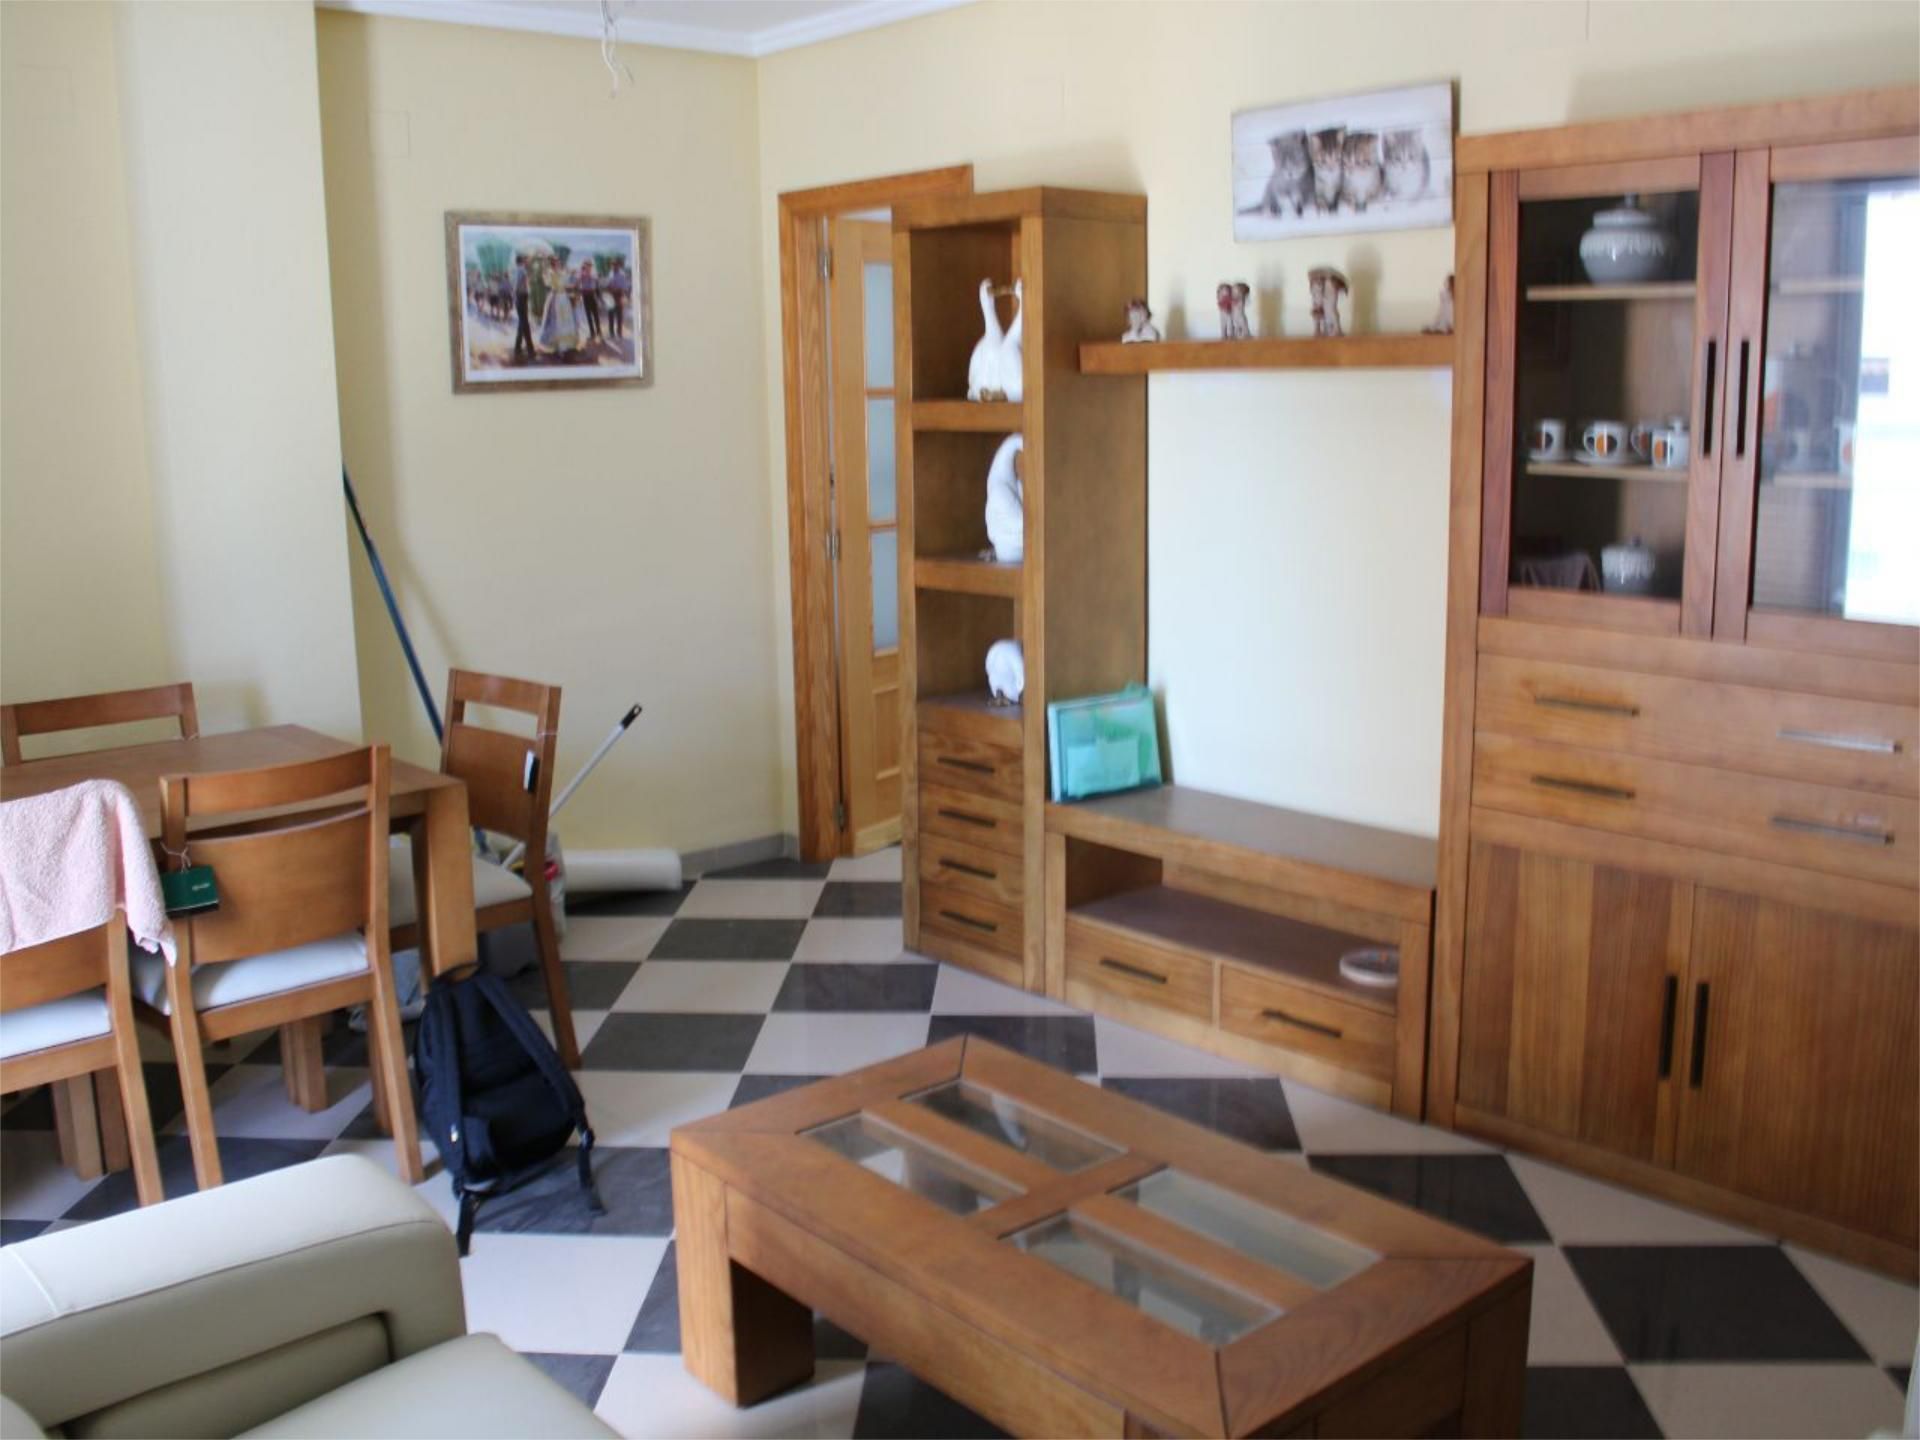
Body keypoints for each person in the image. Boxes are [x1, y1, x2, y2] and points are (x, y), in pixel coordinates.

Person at [538, 255, 580, 357]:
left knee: (567, 320)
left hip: (564, 298)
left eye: (558, 262)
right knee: (557, 322)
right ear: (553, 264)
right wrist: (546, 271)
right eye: (556, 262)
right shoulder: (550, 273)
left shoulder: (562, 273)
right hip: (556, 298)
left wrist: (573, 285)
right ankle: (559, 346)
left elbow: (566, 284)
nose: (558, 264)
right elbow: (548, 283)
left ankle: (568, 345)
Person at [511, 254, 534, 363]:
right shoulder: (522, 271)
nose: (527, 261)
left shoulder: (517, 270)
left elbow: (516, 284)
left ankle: (518, 347)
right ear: (522, 261)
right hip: (522, 296)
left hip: (519, 296)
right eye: (525, 259)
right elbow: (519, 284)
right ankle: (530, 349)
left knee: (522, 322)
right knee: (525, 323)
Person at [576, 260, 602, 343]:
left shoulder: (594, 274)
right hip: (585, 295)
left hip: (592, 295)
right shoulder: (581, 274)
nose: (588, 267)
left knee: (596, 314)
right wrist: (582, 273)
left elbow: (597, 285)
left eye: (589, 265)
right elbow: (578, 283)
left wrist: (599, 297)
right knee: (588, 315)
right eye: (587, 265)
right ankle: (592, 332)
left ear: (591, 266)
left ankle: (599, 331)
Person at [605, 255, 630, 341]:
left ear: (618, 265)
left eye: (615, 264)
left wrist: (618, 290)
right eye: (612, 264)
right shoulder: (610, 273)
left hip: (618, 296)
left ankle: (619, 333)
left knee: (619, 315)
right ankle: (611, 333)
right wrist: (608, 287)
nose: (613, 266)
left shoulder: (622, 274)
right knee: (610, 315)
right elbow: (607, 284)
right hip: (610, 296)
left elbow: (625, 287)